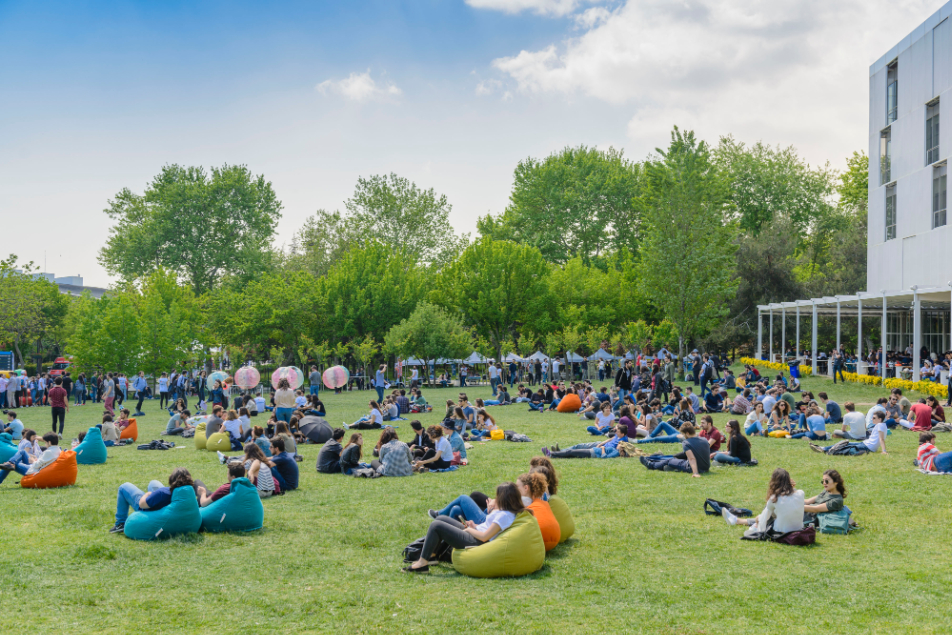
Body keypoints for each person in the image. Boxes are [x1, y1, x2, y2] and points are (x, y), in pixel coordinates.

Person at [403, 482, 524, 573]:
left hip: (476, 542)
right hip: (475, 533)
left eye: (497, 496)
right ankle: (432, 556)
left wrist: (469, 529)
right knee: (441, 519)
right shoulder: (505, 512)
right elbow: (488, 528)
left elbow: (485, 537)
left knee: (436, 525)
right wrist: (474, 525)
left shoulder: (504, 515)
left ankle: (422, 563)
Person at [109, 467, 200, 533]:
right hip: (165, 503)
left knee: (124, 487)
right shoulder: (188, 495)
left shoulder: (162, 493)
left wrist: (147, 495)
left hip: (149, 509)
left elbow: (142, 504)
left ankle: (120, 523)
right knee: (153, 483)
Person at [722, 468, 805, 535]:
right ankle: (737, 520)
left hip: (781, 531)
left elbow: (764, 518)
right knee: (770, 514)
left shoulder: (774, 498)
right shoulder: (801, 493)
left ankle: (739, 521)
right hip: (798, 529)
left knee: (763, 517)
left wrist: (758, 522)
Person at [638, 422, 709, 477]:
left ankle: (651, 465)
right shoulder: (704, 439)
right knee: (677, 456)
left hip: (695, 468)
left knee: (669, 460)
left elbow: (692, 459)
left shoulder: (686, 443)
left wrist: (695, 473)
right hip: (705, 467)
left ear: (687, 433)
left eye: (684, 434)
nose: (683, 436)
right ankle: (662, 459)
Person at [812, 410, 888, 455]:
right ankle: (823, 448)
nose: (872, 419)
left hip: (867, 447)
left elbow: (881, 439)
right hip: (866, 444)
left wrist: (884, 451)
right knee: (843, 443)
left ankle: (827, 450)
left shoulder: (880, 425)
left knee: (845, 446)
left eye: (874, 418)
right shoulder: (882, 425)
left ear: (880, 419)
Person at [518, 471, 560, 549]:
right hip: (555, 540)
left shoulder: (523, 501)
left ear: (526, 488)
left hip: (539, 540)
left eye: (517, 486)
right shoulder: (543, 502)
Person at [543, 424, 629, 459]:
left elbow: (606, 457)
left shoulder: (622, 442)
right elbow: (610, 439)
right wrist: (602, 444)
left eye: (617, 431)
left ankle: (552, 454)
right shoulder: (617, 436)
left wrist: (603, 448)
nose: (615, 431)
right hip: (599, 447)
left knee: (572, 452)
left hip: (597, 451)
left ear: (623, 434)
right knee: (578, 447)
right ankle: (557, 452)